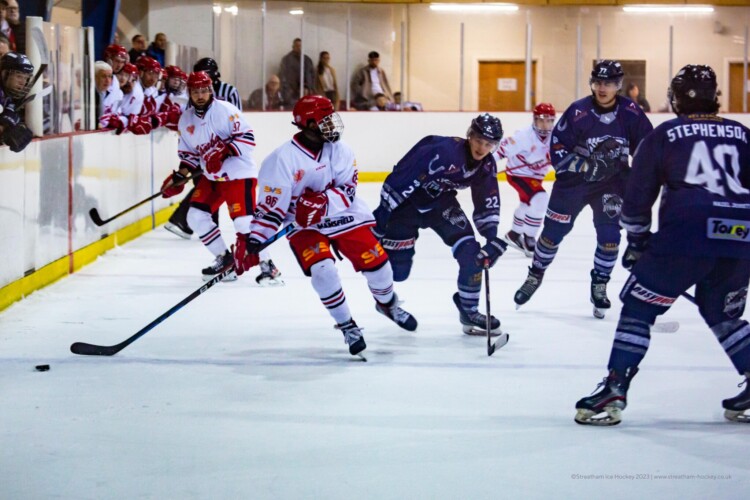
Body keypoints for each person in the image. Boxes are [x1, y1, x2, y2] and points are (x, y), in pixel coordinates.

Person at [574, 65, 750, 426]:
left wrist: (638, 242)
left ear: (676, 98)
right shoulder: (743, 134)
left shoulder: (666, 133)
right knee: (723, 313)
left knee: (638, 307)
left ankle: (615, 387)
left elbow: (638, 196)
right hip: (741, 235)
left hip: (687, 233)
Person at [232, 95, 417, 359]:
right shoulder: (281, 160)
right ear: (307, 124)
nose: (332, 125)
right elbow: (271, 209)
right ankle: (347, 325)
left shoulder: (341, 150)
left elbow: (348, 190)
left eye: (331, 118)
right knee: (323, 272)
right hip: (302, 225)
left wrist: (322, 203)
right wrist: (254, 241)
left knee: (380, 267)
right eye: (324, 120)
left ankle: (388, 305)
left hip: (344, 216)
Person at [513, 60, 653, 319]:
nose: (602, 88)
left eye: (608, 83)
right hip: (573, 184)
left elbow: (647, 149)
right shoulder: (578, 111)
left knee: (610, 237)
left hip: (612, 184)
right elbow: (557, 148)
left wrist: (643, 175)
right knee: (552, 234)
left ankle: (599, 283)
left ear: (618, 85)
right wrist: (586, 165)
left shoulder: (631, 112)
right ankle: (535, 274)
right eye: (598, 82)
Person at [372, 114, 507, 335]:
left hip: (440, 205)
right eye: (479, 141)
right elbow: (401, 179)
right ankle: (385, 304)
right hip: (406, 206)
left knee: (472, 254)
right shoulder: (442, 151)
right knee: (398, 273)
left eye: (489, 144)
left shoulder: (486, 165)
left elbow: (486, 200)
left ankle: (469, 310)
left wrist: (491, 238)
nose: (482, 148)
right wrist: (382, 217)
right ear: (470, 136)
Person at [159, 71, 260, 282]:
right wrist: (179, 177)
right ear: (190, 93)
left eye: (204, 90)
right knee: (195, 217)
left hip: (238, 173)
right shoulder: (186, 120)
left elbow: (248, 138)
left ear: (210, 90)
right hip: (212, 177)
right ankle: (225, 259)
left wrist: (224, 152)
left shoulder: (225, 110)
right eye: (195, 91)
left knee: (243, 223)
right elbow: (189, 155)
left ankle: (269, 267)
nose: (200, 95)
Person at [495, 103, 556, 257]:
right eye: (541, 120)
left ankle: (514, 235)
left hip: (536, 177)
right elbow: (500, 151)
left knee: (527, 203)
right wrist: (484, 165)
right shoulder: (523, 137)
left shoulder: (556, 136)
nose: (545, 125)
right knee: (540, 199)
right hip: (518, 175)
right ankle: (529, 238)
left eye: (549, 121)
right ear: (534, 120)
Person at [0, 51, 33, 152]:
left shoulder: (7, 97)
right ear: (4, 74)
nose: (23, 82)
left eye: (26, 78)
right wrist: (3, 130)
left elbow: (8, 116)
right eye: (19, 76)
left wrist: (11, 126)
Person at [103, 62, 142, 134]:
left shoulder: (120, 93)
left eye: (126, 75)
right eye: (120, 74)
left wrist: (122, 121)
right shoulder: (108, 88)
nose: (123, 78)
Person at [278, 38, 315, 108]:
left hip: (306, 92)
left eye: (300, 46)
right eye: (297, 46)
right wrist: (288, 90)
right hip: (291, 93)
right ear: (293, 47)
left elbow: (312, 75)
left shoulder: (307, 60)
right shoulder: (286, 60)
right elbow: (282, 76)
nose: (299, 48)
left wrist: (308, 87)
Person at [95, 61, 123, 130]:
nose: (107, 80)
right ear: (95, 78)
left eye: (110, 76)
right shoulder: (89, 95)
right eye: (103, 76)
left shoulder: (103, 93)